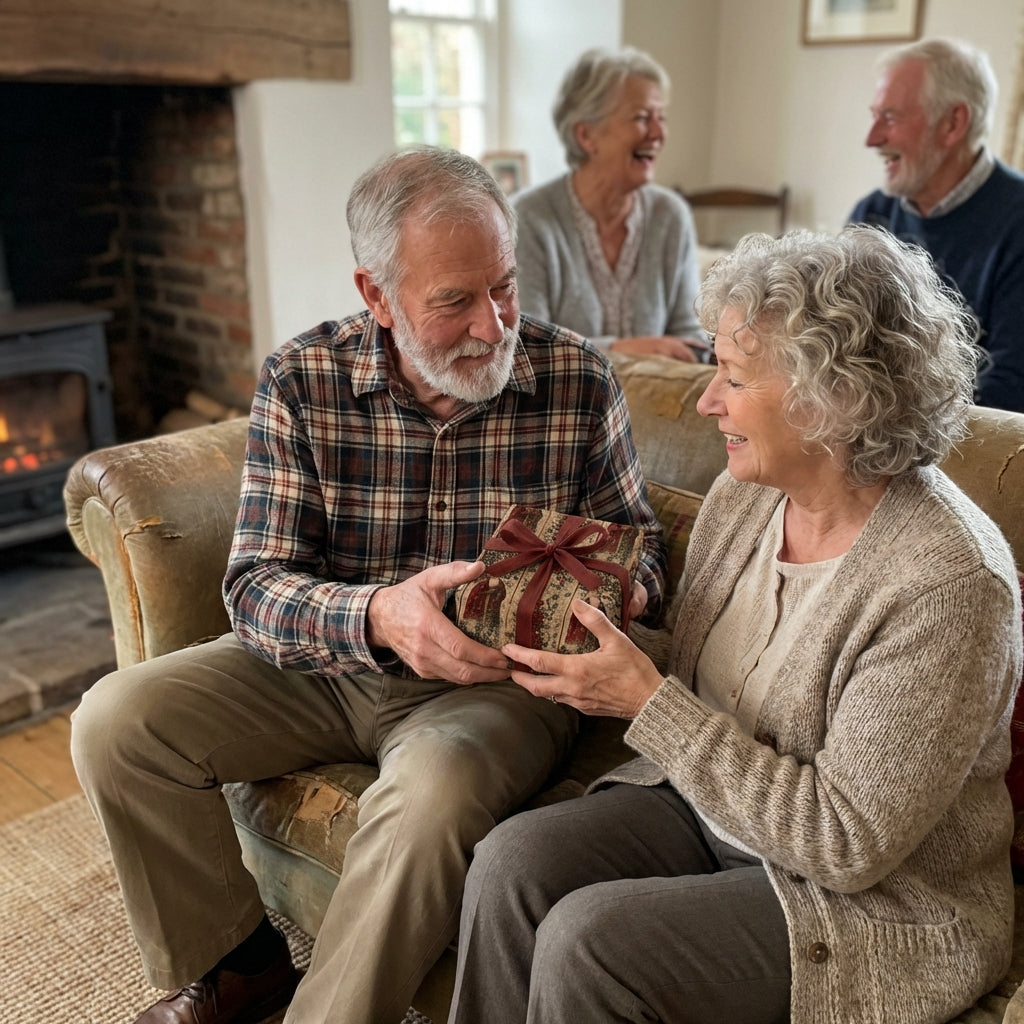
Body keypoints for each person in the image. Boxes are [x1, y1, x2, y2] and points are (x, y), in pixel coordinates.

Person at [69, 145, 667, 1024]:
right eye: (454, 302)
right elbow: (256, 585)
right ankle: (236, 965)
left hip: (493, 687)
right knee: (114, 722)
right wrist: (380, 613)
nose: (494, 327)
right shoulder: (303, 381)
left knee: (429, 801)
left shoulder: (577, 379)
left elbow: (640, 543)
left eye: (503, 285)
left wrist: (624, 587)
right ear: (377, 296)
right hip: (328, 663)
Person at [446, 226, 1023, 1024]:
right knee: (512, 861)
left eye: (733, 377)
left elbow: (845, 842)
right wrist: (573, 638)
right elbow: (698, 675)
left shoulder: (950, 583)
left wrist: (646, 701)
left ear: (833, 397)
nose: (705, 399)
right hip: (713, 813)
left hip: (869, 900)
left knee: (591, 944)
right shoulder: (747, 496)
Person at [848, 36, 1024, 414]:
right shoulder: (871, 216)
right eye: (874, 115)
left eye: (890, 118)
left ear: (953, 123)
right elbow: (830, 349)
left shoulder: (1017, 221)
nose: (872, 138)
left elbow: (1008, 390)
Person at [512, 46, 707, 363]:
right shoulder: (529, 219)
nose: (659, 133)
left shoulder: (670, 215)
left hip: (662, 405)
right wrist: (618, 350)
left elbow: (691, 340)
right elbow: (527, 348)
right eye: (642, 118)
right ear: (587, 136)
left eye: (661, 117)